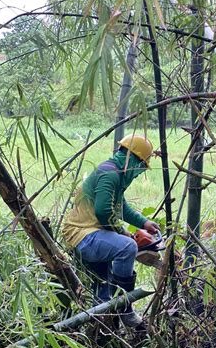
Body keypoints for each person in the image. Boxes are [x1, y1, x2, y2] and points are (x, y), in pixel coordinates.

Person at [62, 135, 159, 327]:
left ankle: (104, 330)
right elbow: (104, 211)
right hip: (82, 235)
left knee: (103, 290)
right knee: (127, 247)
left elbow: (119, 207)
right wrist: (124, 233)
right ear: (134, 159)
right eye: (141, 168)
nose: (139, 173)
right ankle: (125, 308)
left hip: (92, 233)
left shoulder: (116, 174)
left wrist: (144, 223)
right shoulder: (111, 175)